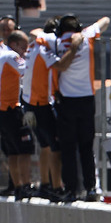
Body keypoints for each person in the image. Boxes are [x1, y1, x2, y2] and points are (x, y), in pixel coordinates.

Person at [53, 14, 110, 202]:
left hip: (66, 101)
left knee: (68, 148)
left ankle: (70, 190)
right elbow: (106, 20)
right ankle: (91, 188)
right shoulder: (86, 35)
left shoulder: (55, 42)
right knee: (86, 147)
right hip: (86, 99)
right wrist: (83, 35)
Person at [23, 16, 75, 202]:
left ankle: (45, 184)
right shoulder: (46, 46)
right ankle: (55, 187)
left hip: (28, 103)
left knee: (44, 145)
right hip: (39, 104)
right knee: (55, 146)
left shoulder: (33, 45)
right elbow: (60, 65)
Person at [0, 30, 35, 200]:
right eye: (23, 48)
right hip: (9, 109)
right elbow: (27, 71)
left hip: (1, 110)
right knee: (24, 149)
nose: (25, 51)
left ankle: (18, 187)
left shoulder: (2, 54)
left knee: (13, 152)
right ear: (15, 45)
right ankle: (25, 185)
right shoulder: (11, 56)